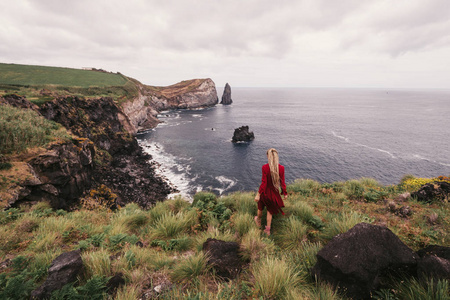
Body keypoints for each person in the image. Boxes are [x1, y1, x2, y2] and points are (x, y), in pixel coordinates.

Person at [254, 148, 287, 235]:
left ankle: (258, 220)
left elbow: (264, 183)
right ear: (277, 157)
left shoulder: (265, 167)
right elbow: (282, 182)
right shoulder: (281, 168)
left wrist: (258, 194)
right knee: (270, 212)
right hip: (274, 194)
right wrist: (284, 193)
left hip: (265, 193)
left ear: (268, 156)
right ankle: (267, 230)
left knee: (260, 208)